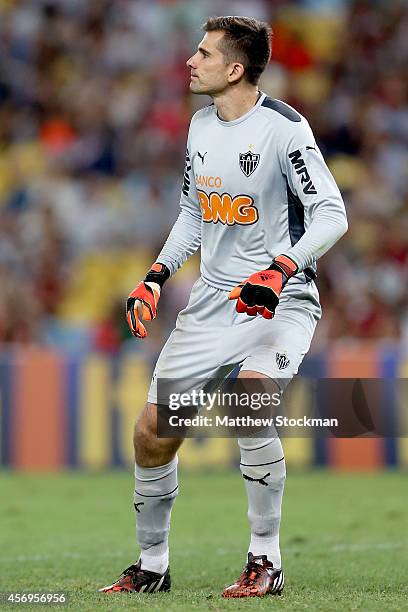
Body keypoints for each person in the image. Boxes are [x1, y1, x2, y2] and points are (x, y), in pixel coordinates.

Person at [99, 15, 347, 598]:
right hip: (211, 303)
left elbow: (332, 213)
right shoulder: (201, 126)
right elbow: (193, 211)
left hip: (277, 299)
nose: (191, 60)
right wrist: (155, 276)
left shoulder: (285, 129)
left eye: (204, 53)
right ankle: (152, 566)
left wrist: (281, 268)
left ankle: (267, 563)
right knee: (153, 433)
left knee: (249, 402)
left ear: (235, 69)